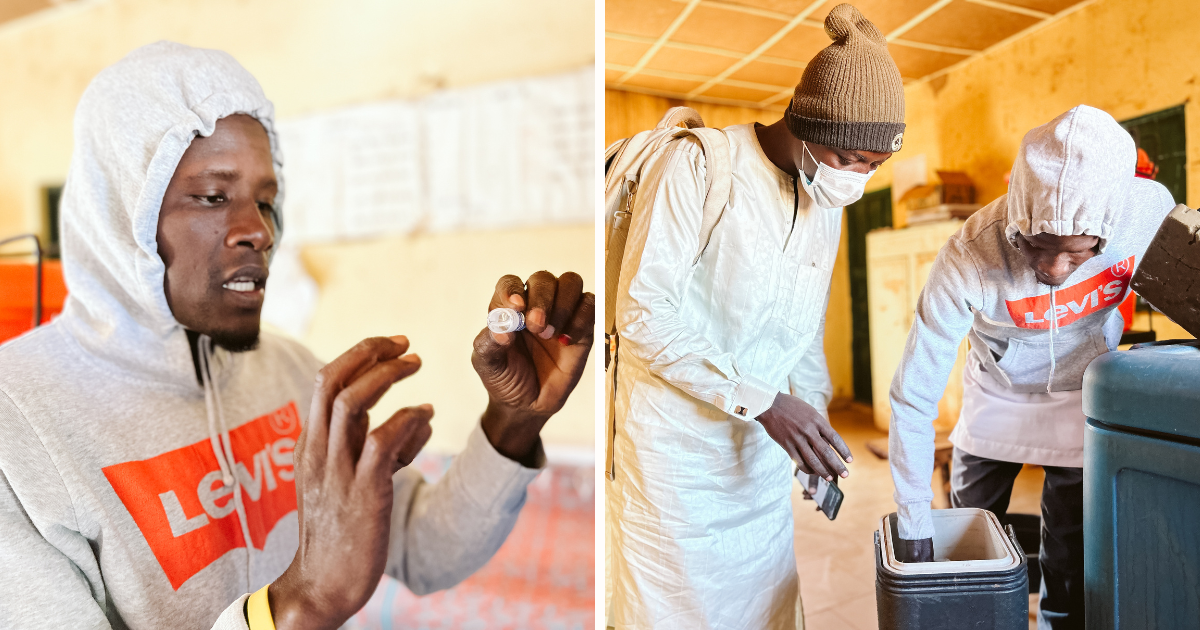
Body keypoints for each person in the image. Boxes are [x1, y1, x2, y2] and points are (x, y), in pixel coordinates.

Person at [0, 42, 594, 630]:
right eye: (213, 196)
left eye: (266, 201)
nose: (257, 231)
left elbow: (427, 550)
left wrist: (515, 420)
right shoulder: (18, 430)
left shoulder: (286, 371)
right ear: (119, 214)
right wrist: (297, 605)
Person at [607, 5, 903, 628]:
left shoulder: (826, 200)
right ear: (804, 123)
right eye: (851, 158)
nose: (858, 178)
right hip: (674, 467)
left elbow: (803, 328)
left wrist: (810, 421)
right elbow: (641, 313)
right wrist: (765, 403)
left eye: (874, 167)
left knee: (762, 607)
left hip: (758, 467)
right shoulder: (699, 166)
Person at [887, 104, 1175, 629]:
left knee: (1069, 540)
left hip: (1081, 391)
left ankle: (1057, 621)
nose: (1051, 269)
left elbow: (1185, 284)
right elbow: (913, 393)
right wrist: (913, 519)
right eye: (1036, 246)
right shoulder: (969, 255)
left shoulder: (1148, 211)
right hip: (995, 391)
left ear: (1109, 229)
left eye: (1076, 254)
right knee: (971, 533)